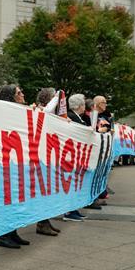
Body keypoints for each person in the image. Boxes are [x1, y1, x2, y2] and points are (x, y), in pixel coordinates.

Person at [0, 84, 31, 249]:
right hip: (6, 162)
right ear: (11, 97)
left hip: (18, 162)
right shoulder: (4, 113)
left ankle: (12, 231)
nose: (22, 94)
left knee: (16, 199)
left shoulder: (20, 112)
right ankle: (3, 235)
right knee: (7, 199)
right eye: (19, 92)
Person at [34, 87, 61, 236]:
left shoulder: (51, 114)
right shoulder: (39, 111)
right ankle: (42, 223)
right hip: (40, 159)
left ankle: (45, 221)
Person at [63, 94, 88, 222]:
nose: (85, 106)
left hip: (76, 156)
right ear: (79, 105)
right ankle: (69, 211)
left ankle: (74, 209)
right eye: (83, 104)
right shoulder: (71, 117)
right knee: (71, 184)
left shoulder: (76, 117)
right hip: (71, 157)